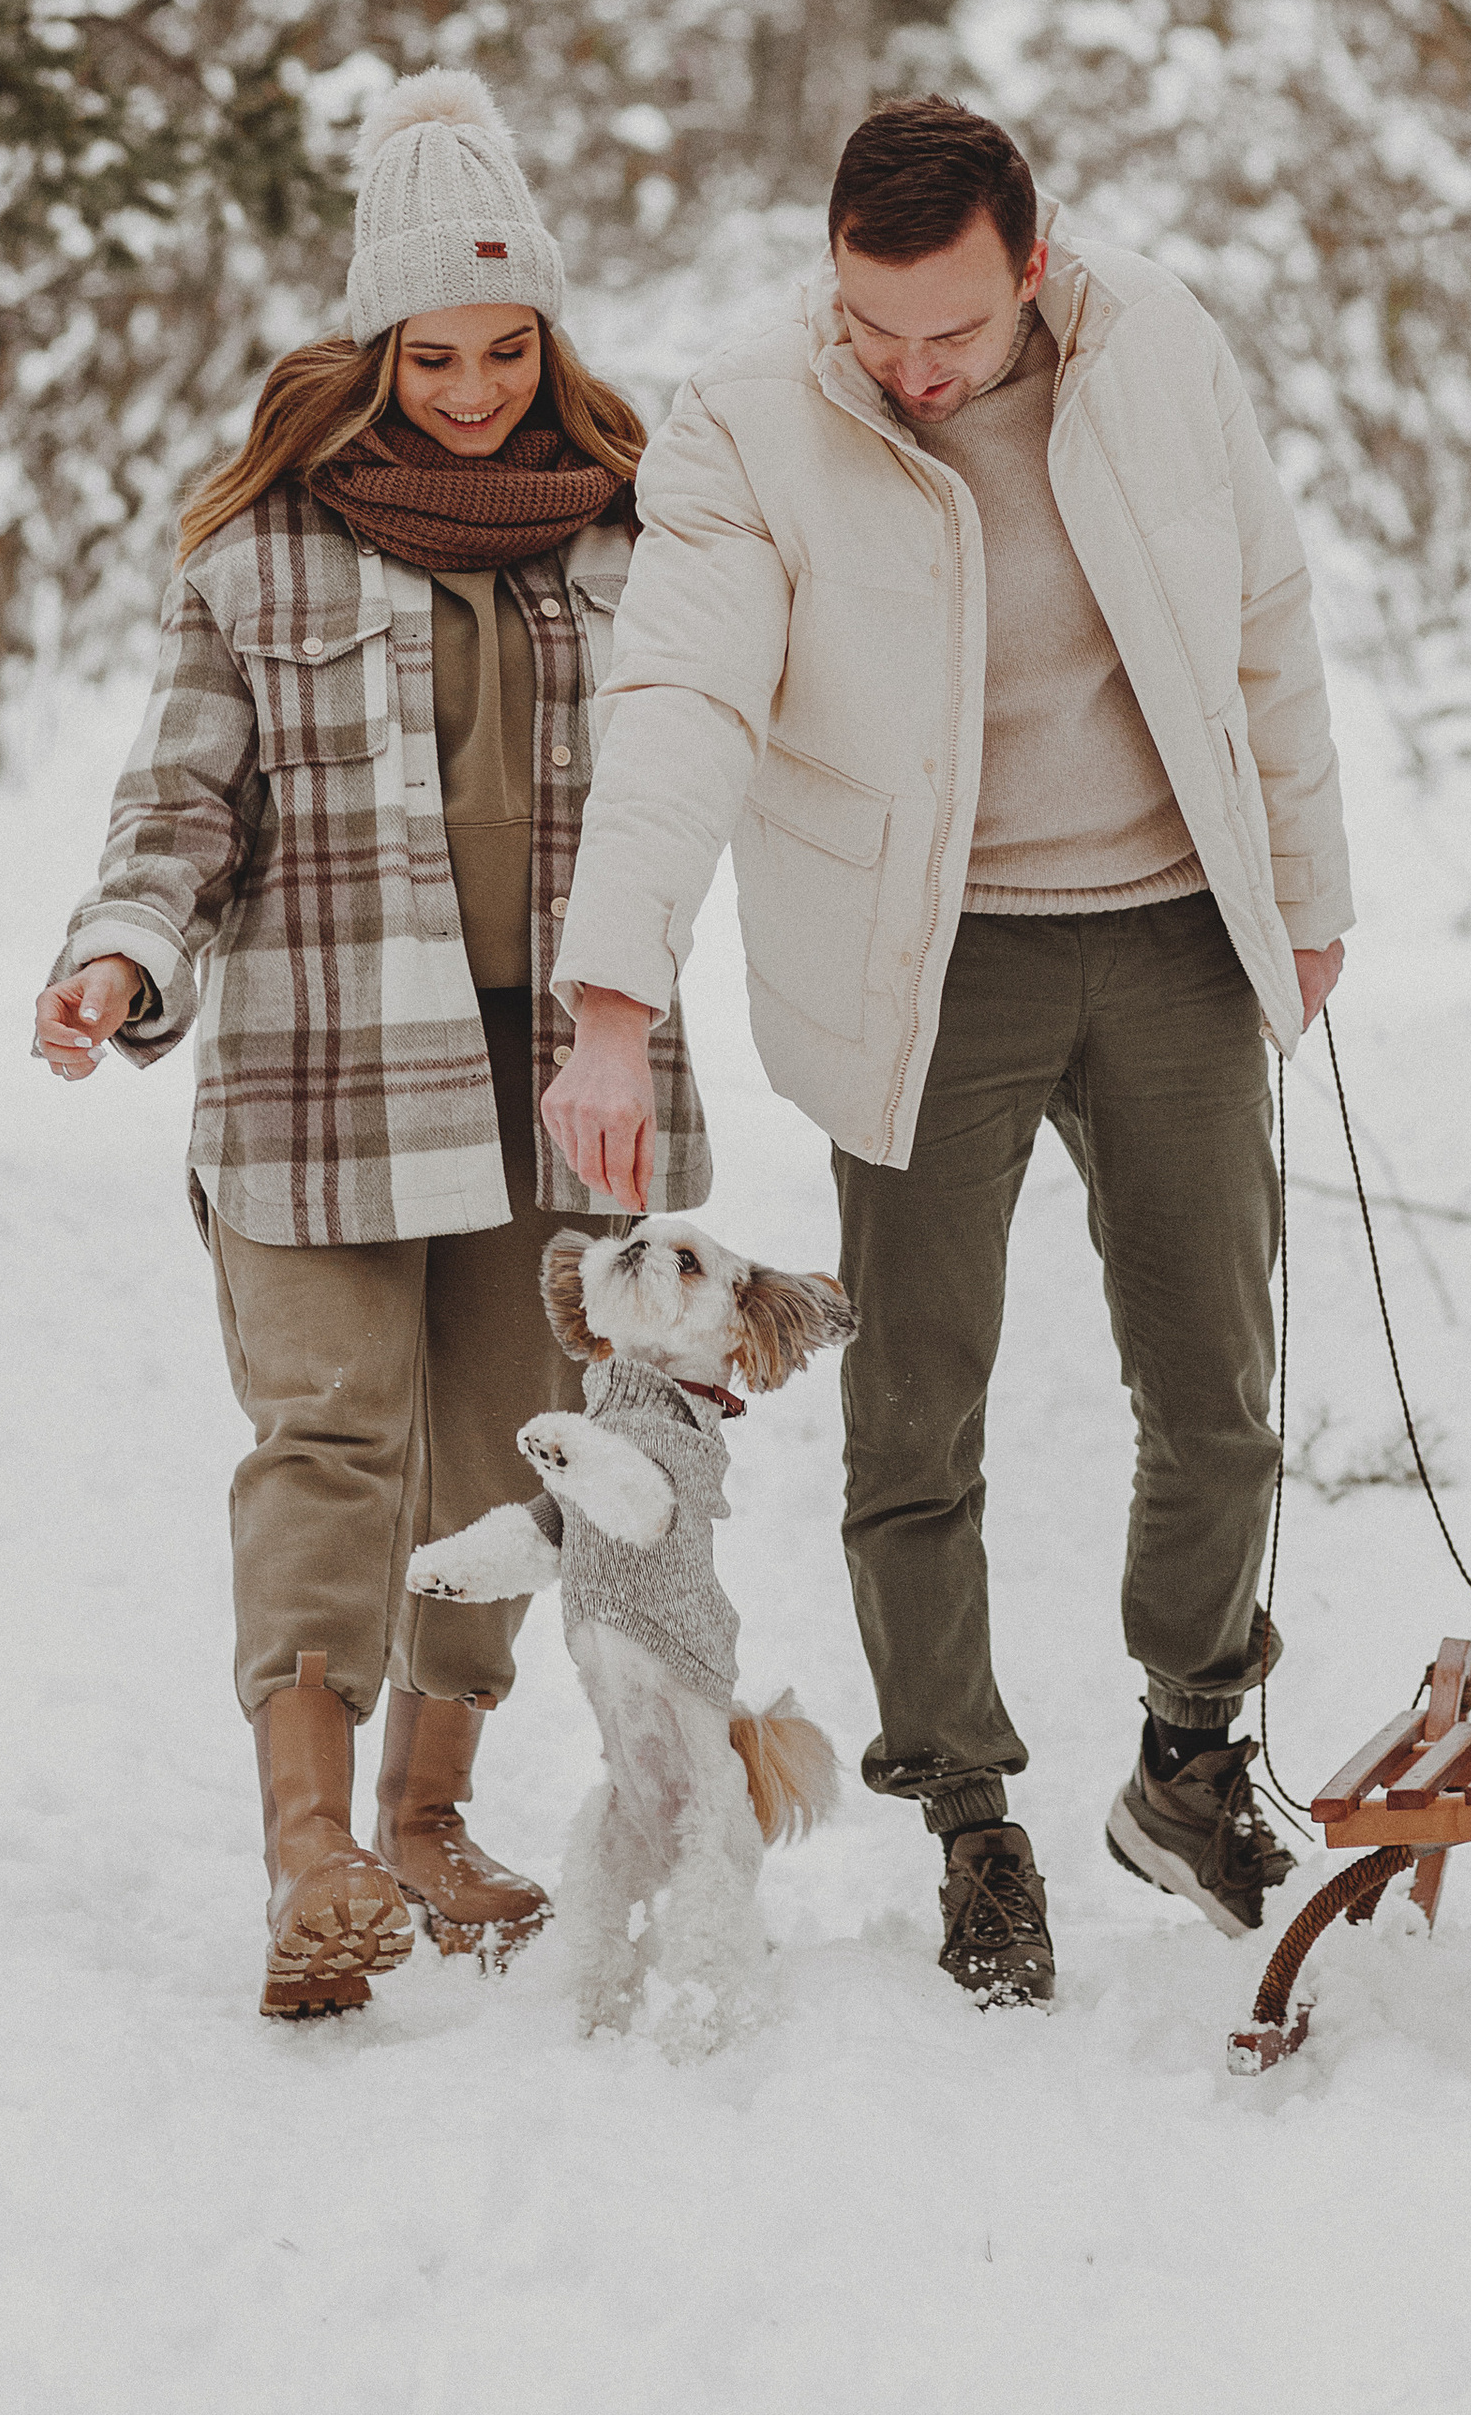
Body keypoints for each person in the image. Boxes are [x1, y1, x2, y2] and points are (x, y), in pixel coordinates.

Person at [541, 97, 1352, 2009]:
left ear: (1035, 264)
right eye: (874, 324)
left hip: (1169, 931)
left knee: (1219, 1387)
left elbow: (1264, 618)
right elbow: (681, 698)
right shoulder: (751, 419)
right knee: (915, 1412)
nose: (912, 369)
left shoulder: (1157, 348)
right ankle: (969, 1816)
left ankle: (1190, 1753)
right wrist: (613, 1000)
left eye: (956, 332)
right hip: (925, 966)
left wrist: (1305, 891)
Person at [35, 69, 708, 2022]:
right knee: (326, 1438)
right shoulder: (261, 556)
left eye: (508, 348)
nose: (476, 389)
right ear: (372, 345)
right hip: (323, 1069)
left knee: (509, 1453)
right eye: (435, 352)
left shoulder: (640, 543)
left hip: (555, 1083)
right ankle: (310, 1851)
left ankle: (427, 1814)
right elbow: (180, 808)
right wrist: (118, 956)